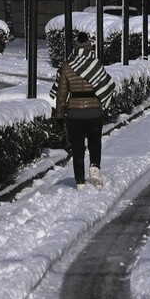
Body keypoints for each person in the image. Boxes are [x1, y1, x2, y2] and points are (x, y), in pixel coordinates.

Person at [50, 32, 115, 191]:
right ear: (89, 47)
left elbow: (61, 94)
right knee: (95, 144)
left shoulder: (67, 66)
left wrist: (59, 115)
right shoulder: (96, 64)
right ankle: (94, 172)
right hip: (94, 112)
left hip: (74, 114)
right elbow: (104, 86)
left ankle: (79, 181)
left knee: (77, 147)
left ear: (75, 47)